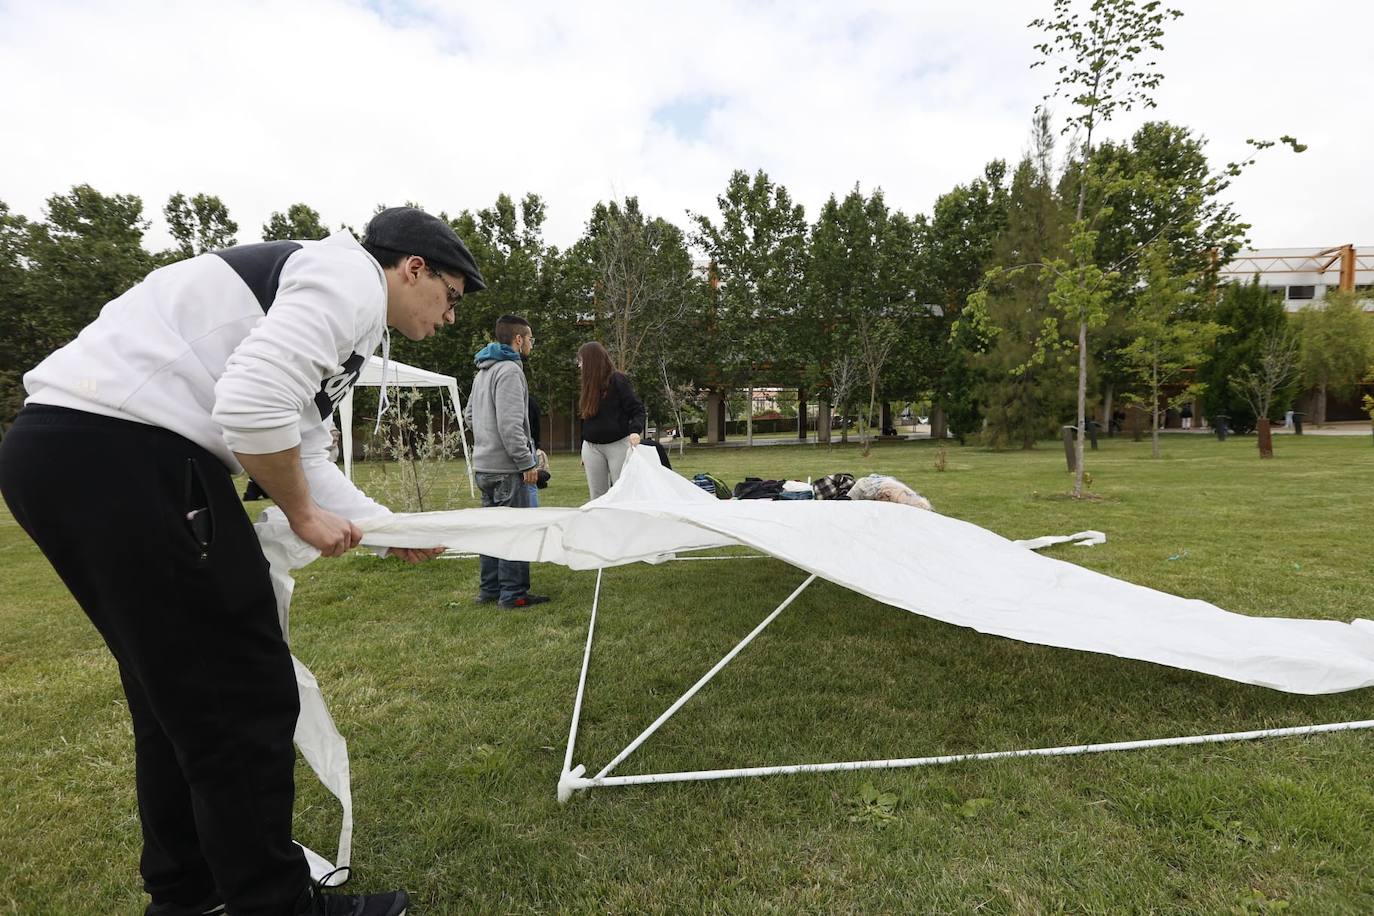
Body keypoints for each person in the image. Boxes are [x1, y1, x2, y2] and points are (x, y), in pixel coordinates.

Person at [0, 206, 484, 916]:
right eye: (451, 296)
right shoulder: (347, 276)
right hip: (125, 451)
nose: (449, 316)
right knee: (240, 690)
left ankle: (188, 893)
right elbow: (252, 403)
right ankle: (274, 905)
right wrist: (304, 515)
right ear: (414, 268)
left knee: (177, 699)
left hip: (69, 451)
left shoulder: (341, 306)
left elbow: (301, 445)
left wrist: (382, 528)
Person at [468, 315, 548, 609]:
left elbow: (469, 417)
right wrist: (527, 463)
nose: (531, 345)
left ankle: (489, 590)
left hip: (484, 467)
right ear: (518, 340)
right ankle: (513, 595)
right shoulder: (510, 371)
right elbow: (511, 425)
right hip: (506, 470)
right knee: (515, 530)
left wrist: (486, 440)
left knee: (492, 532)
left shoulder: (482, 371)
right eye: (530, 339)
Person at [575, 341, 645, 499]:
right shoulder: (588, 386)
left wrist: (635, 431)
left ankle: (623, 523)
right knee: (597, 495)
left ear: (592, 362)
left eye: (581, 361)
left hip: (617, 445)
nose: (579, 366)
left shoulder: (618, 380)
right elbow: (586, 418)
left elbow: (637, 409)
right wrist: (584, 449)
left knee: (621, 492)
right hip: (592, 448)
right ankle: (601, 523)